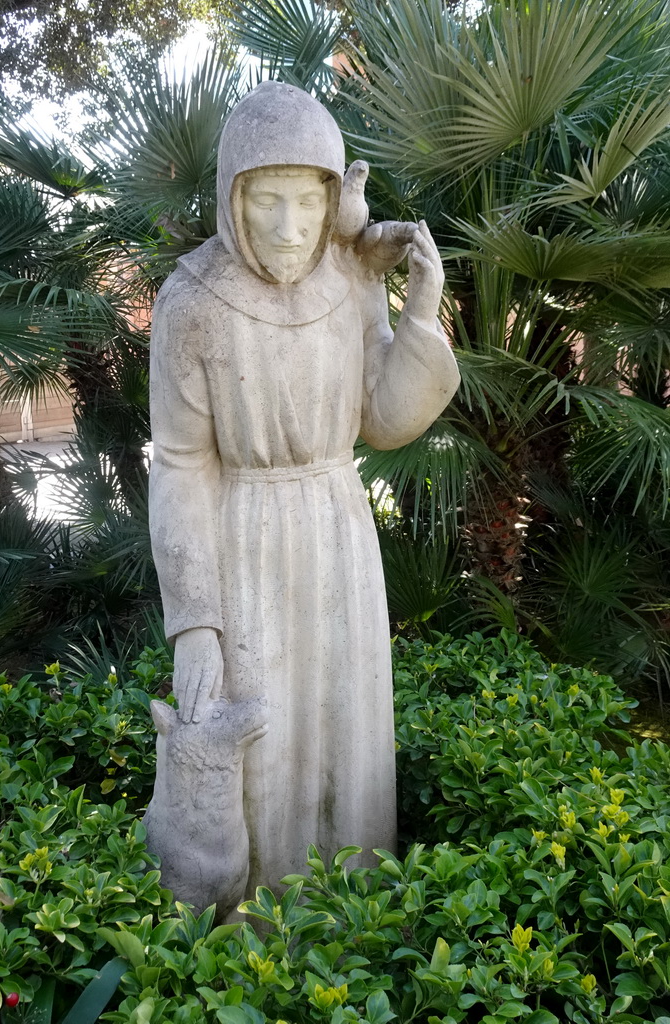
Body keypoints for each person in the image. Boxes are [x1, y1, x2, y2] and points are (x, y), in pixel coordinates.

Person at [149, 81, 459, 902]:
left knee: (346, 731)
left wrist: (419, 313)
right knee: (265, 740)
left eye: (307, 202)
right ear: (232, 198)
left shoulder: (350, 280)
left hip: (337, 529)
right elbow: (180, 465)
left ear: (332, 201)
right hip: (244, 539)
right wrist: (196, 626)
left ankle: (354, 928)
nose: (290, 229)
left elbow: (385, 421)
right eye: (266, 202)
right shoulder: (192, 301)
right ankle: (259, 935)